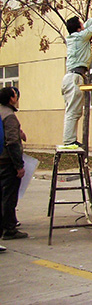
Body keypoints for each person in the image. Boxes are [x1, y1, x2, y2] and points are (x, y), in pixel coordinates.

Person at [60, 5, 92, 148]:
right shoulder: (80, 37)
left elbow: (88, 24)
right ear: (78, 28)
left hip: (72, 77)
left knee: (74, 111)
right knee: (73, 112)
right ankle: (69, 141)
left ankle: (70, 140)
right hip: (74, 78)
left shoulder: (75, 36)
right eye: (81, 24)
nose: (84, 25)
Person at [0, 86, 28, 240]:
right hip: (7, 161)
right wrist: (19, 166)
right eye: (15, 95)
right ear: (11, 99)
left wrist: (19, 132)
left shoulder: (1, 112)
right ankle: (9, 229)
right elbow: (11, 143)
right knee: (9, 196)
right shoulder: (9, 116)